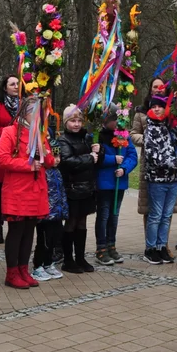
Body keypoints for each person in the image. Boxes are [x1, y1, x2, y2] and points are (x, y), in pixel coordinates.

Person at [0, 96, 55, 289]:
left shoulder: (39, 134)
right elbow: (2, 159)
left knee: (29, 230)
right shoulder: (10, 132)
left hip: (36, 189)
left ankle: (23, 269)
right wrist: (28, 166)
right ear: (26, 113)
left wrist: (48, 157)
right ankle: (11, 273)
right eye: (37, 113)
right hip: (17, 189)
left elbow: (50, 160)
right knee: (16, 231)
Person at [133, 79, 177, 249]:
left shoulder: (174, 111)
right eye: (155, 87)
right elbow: (133, 134)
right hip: (152, 166)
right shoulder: (143, 112)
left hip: (172, 171)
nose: (158, 89)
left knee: (166, 211)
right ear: (150, 90)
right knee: (150, 209)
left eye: (161, 87)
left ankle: (162, 245)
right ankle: (150, 246)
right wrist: (149, 141)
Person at [143, 96, 177, 265]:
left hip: (173, 179)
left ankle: (161, 246)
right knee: (156, 215)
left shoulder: (172, 128)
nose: (157, 109)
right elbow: (153, 156)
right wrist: (175, 163)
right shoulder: (150, 130)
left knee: (166, 215)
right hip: (157, 179)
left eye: (160, 106)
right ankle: (150, 248)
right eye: (154, 107)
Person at [58, 104, 100, 271]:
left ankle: (81, 258)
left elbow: (96, 159)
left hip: (87, 187)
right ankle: (68, 260)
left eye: (79, 121)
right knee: (71, 223)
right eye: (72, 121)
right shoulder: (63, 140)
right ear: (66, 122)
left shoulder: (86, 138)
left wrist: (98, 151)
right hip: (72, 187)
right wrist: (89, 158)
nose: (76, 124)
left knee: (82, 223)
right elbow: (67, 161)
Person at [98, 107, 138, 266]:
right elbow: (98, 157)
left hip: (118, 183)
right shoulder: (99, 137)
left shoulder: (124, 137)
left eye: (118, 120)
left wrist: (124, 168)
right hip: (104, 182)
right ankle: (101, 247)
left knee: (114, 216)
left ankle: (111, 245)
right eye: (113, 120)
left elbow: (132, 156)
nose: (116, 123)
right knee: (103, 216)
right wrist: (113, 160)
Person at [32, 116, 67, 281]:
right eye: (54, 156)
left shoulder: (57, 172)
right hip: (45, 214)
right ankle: (38, 265)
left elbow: (61, 192)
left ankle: (49, 263)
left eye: (59, 156)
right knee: (43, 240)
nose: (57, 159)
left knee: (54, 239)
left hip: (57, 213)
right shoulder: (43, 173)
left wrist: (63, 209)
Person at [0, 75, 21, 244]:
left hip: (19, 151)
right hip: (1, 150)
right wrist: (12, 136)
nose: (16, 86)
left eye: (18, 84)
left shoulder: (23, 104)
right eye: (12, 84)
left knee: (14, 189)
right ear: (5, 87)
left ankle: (13, 224)